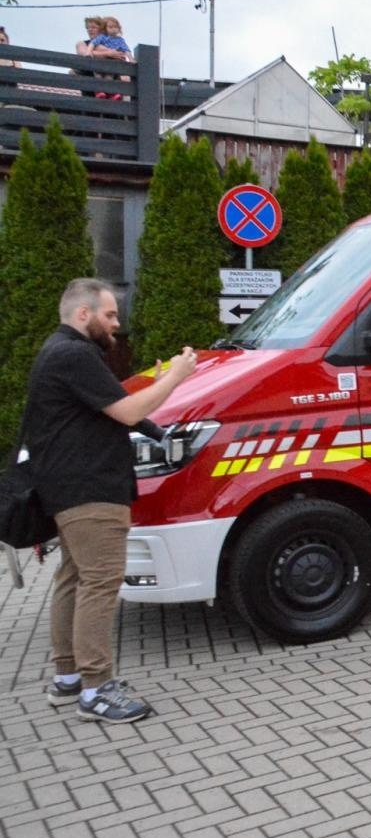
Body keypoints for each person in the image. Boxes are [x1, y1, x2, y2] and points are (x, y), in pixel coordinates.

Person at [23, 278, 197, 722]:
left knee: (74, 579)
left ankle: (68, 678)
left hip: (66, 488)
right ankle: (96, 690)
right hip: (90, 490)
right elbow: (129, 412)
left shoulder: (60, 353)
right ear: (83, 314)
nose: (117, 324)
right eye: (109, 315)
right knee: (100, 584)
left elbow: (117, 404)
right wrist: (176, 377)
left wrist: (157, 404)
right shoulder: (75, 354)